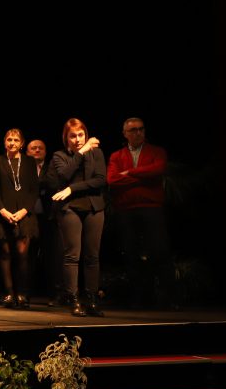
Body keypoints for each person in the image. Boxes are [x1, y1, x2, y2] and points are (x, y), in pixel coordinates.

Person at [107, 117, 173, 308]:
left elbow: (158, 170)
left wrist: (129, 173)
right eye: (133, 130)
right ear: (125, 133)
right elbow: (112, 180)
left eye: (141, 129)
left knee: (160, 252)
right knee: (131, 254)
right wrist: (143, 177)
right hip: (126, 210)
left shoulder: (157, 151)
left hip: (152, 208)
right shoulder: (116, 156)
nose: (138, 133)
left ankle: (166, 299)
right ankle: (139, 299)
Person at [51, 118, 107, 317]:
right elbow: (64, 175)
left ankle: (92, 299)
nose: (77, 139)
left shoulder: (97, 153)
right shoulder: (60, 156)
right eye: (73, 136)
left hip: (93, 207)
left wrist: (72, 189)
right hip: (70, 208)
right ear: (66, 137)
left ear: (86, 134)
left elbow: (100, 180)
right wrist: (81, 153)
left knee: (92, 256)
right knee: (72, 255)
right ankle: (73, 299)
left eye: (81, 135)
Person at [0, 128, 40, 308]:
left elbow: (34, 190)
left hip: (24, 214)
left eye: (16, 140)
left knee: (22, 254)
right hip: (3, 214)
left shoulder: (29, 162)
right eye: (9, 139)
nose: (12, 143)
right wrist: (2, 210)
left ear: (22, 143)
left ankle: (23, 294)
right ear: (5, 142)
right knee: (5, 254)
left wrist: (25, 210)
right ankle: (9, 293)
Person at [27, 139, 63, 305]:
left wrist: (35, 185)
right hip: (28, 216)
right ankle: (25, 293)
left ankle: (54, 294)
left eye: (40, 148)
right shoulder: (22, 167)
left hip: (49, 217)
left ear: (46, 151)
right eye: (33, 148)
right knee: (28, 257)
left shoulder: (52, 166)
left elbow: (52, 183)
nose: (37, 150)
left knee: (52, 257)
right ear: (27, 152)